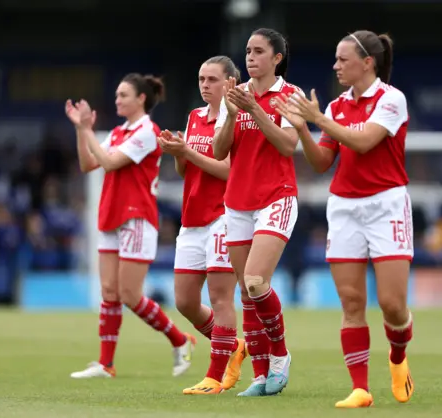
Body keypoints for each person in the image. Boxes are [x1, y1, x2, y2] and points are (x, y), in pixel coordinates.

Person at [276, 30, 414, 408]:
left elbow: (365, 141)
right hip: (345, 207)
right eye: (335, 59)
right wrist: (304, 128)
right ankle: (361, 389)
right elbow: (322, 163)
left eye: (343, 59)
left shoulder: (391, 99)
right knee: (351, 301)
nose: (335, 65)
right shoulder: (336, 106)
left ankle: (398, 357)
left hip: (386, 205)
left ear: (367, 62)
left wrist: (316, 117)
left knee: (392, 304)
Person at [65, 73, 196, 379]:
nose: (117, 100)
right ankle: (106, 364)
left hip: (136, 217)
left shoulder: (148, 132)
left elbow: (109, 163)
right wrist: (81, 130)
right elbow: (88, 165)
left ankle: (181, 340)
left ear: (141, 99)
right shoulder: (119, 132)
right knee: (109, 291)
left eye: (123, 95)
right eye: (116, 95)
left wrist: (89, 132)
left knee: (130, 294)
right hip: (111, 214)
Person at [212, 27, 300, 397]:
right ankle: (260, 376)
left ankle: (280, 356)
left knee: (255, 281)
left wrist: (256, 113)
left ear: (276, 58)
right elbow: (218, 152)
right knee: (247, 295)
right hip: (238, 202)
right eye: (248, 51)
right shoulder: (234, 94)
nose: (250, 57)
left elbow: (289, 144)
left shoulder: (289, 95)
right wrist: (232, 114)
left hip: (276, 197)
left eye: (259, 51)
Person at [157, 56, 247, 395]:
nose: (205, 85)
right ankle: (233, 347)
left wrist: (188, 153)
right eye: (201, 79)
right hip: (192, 219)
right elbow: (186, 172)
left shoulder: (235, 119)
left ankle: (215, 376)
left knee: (221, 298)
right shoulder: (195, 117)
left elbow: (229, 170)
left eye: (212, 79)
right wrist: (178, 153)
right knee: (184, 301)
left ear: (231, 83)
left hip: (224, 216)